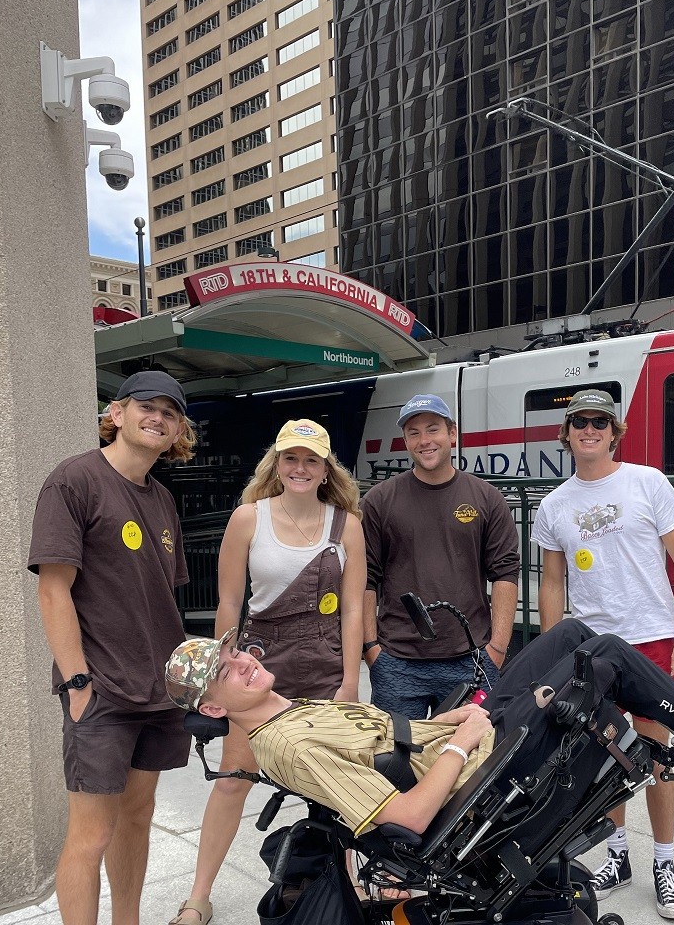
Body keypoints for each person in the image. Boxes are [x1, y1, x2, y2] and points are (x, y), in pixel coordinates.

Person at [164, 621, 674, 845]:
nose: (242, 663)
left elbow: (394, 741)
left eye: (234, 653)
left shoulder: (287, 707)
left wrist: (452, 721)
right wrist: (463, 741)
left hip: (461, 740)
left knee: (570, 635)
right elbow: (406, 816)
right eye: (225, 674)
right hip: (476, 774)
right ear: (215, 710)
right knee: (604, 661)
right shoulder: (289, 743)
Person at [171, 419, 366, 925]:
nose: (300, 468)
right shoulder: (248, 518)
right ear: (276, 464)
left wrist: (349, 682)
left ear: (326, 469)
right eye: (290, 458)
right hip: (258, 664)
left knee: (338, 789)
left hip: (326, 666)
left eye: (311, 460)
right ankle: (198, 896)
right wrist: (222, 671)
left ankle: (347, 892)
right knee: (235, 779)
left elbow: (351, 610)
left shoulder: (346, 524)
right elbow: (230, 603)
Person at [28, 370, 196, 925]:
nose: (158, 418)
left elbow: (157, 602)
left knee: (138, 816)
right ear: (116, 415)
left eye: (170, 413)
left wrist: (191, 684)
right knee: (91, 833)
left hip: (158, 691)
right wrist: (77, 683)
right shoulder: (73, 481)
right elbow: (53, 590)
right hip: (100, 690)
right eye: (145, 406)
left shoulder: (163, 500)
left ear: (178, 432)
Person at [532, 388, 674, 918]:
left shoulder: (647, 482)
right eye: (579, 422)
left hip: (650, 637)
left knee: (657, 755)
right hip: (591, 646)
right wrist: (552, 654)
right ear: (566, 433)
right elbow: (553, 584)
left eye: (599, 422)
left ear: (613, 431)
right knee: (607, 757)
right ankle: (619, 856)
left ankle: (666, 864)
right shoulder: (554, 504)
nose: (589, 430)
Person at [361, 394, 519, 717]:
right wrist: (371, 650)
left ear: (452, 434)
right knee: (397, 764)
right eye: (413, 433)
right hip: (397, 663)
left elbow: (504, 574)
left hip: (471, 659)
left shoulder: (486, 498)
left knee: (473, 763)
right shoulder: (378, 501)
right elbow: (366, 579)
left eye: (432, 429)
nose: (424, 441)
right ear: (405, 441)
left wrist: (497, 649)